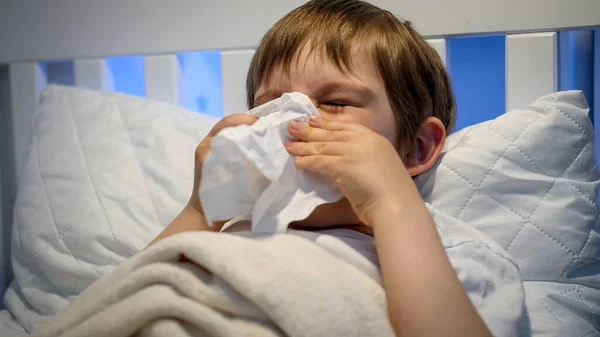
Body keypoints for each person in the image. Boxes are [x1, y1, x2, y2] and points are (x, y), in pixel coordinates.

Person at [150, 1, 524, 336]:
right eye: (271, 105)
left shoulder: (447, 251)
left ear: (414, 148)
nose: (292, 119)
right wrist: (203, 208)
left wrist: (392, 203)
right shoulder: (231, 232)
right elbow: (126, 299)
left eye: (334, 101)